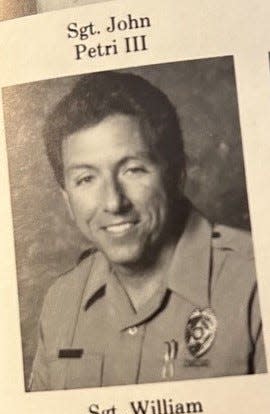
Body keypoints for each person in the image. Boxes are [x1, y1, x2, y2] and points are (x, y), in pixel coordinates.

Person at [29, 71, 266, 391]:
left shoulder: (255, 284)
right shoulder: (62, 302)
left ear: (177, 174)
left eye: (133, 169)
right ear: (68, 201)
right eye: (86, 178)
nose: (113, 202)